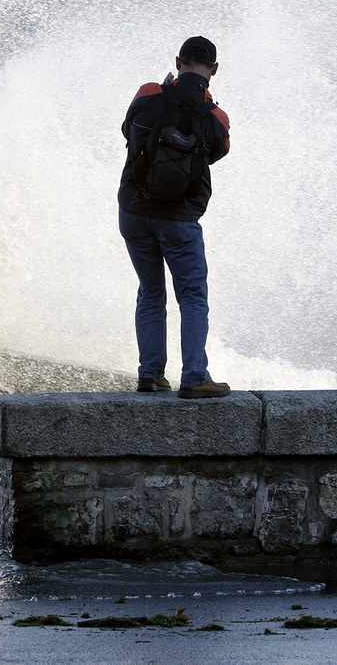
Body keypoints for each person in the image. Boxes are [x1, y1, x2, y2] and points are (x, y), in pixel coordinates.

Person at [118, 36, 231, 399]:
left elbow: (127, 131)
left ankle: (150, 374)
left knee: (151, 292)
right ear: (214, 70)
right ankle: (195, 376)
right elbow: (217, 152)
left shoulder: (148, 94)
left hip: (134, 212)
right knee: (192, 295)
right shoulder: (215, 117)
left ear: (178, 61)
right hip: (179, 220)